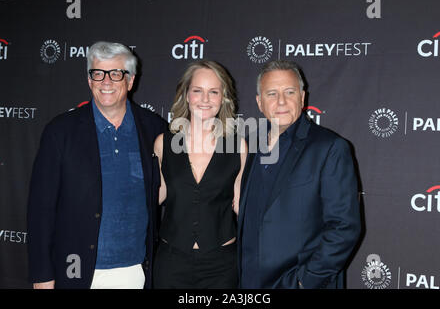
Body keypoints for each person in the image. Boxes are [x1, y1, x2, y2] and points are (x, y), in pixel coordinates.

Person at [27, 41, 167, 289]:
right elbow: (40, 210)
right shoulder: (60, 132)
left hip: (136, 271)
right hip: (77, 272)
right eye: (98, 73)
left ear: (130, 80)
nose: (106, 82)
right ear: (89, 80)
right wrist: (42, 276)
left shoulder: (154, 128)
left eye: (116, 74)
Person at [237, 60, 361, 289]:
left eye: (289, 92)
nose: (281, 101)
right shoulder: (248, 145)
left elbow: (344, 227)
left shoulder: (330, 147)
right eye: (272, 93)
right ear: (259, 102)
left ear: (302, 98)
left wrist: (306, 281)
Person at [153, 60, 247, 288]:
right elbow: (154, 196)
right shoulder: (164, 143)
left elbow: (241, 206)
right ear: (186, 95)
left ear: (223, 97)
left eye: (213, 92)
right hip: (171, 262)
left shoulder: (238, 146)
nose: (205, 99)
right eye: (198, 91)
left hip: (221, 265)